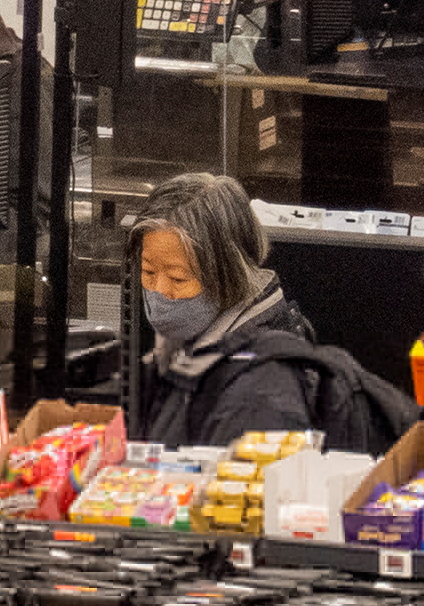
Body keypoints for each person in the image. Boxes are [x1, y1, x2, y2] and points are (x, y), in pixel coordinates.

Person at [128, 171, 358, 449]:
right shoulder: (190, 344)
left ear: (230, 272)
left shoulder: (260, 393)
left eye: (178, 278)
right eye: (148, 271)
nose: (159, 289)